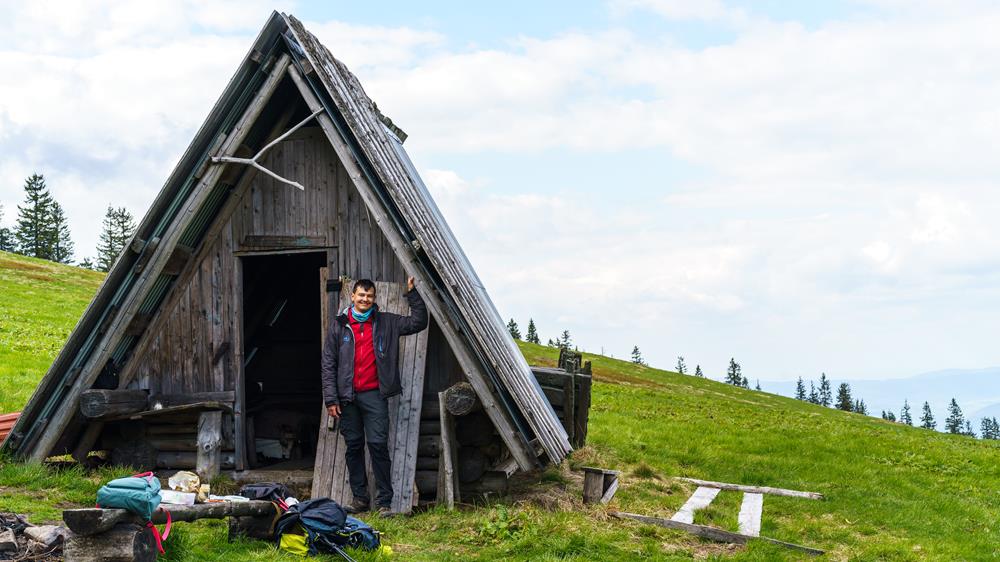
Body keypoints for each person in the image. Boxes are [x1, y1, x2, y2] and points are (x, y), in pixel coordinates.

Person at [320, 276, 428, 516]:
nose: (365, 299)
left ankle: (384, 503)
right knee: (353, 447)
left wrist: (412, 293)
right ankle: (360, 499)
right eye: (361, 295)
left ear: (374, 298)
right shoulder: (339, 325)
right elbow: (328, 364)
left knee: (378, 446)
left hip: (374, 395)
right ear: (353, 296)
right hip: (347, 398)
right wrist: (331, 399)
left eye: (369, 296)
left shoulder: (387, 322)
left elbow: (419, 322)